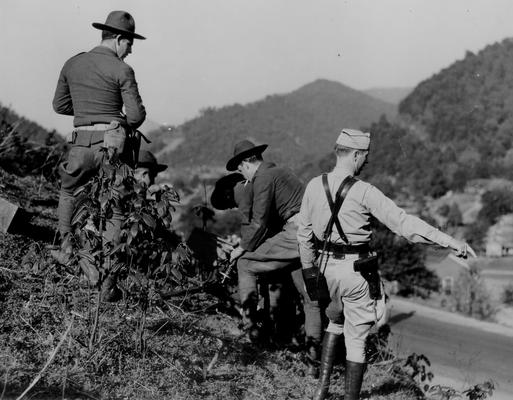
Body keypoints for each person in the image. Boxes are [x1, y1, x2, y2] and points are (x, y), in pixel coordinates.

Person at [297, 128, 476, 400]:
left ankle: (321, 391)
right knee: (356, 339)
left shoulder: (312, 185)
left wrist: (310, 272)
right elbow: (404, 224)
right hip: (355, 271)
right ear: (355, 154)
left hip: (323, 270)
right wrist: (450, 241)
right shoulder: (365, 192)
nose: (366, 162)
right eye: (364, 156)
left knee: (334, 321)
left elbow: (303, 235)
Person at [52, 10, 146, 258]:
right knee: (115, 208)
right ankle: (106, 272)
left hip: (81, 144)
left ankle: (66, 248)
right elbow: (136, 117)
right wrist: (114, 119)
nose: (130, 50)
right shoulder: (122, 69)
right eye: (129, 43)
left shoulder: (72, 63)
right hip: (113, 147)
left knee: (69, 191)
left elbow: (59, 106)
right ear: (117, 38)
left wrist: (86, 111)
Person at [227, 139, 322, 374]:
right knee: (311, 299)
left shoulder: (263, 178)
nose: (243, 175)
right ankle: (315, 365)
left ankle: (251, 333)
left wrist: (242, 247)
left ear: (249, 162)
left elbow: (259, 221)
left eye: (241, 169)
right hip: (312, 235)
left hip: (297, 233)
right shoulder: (280, 172)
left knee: (246, 264)